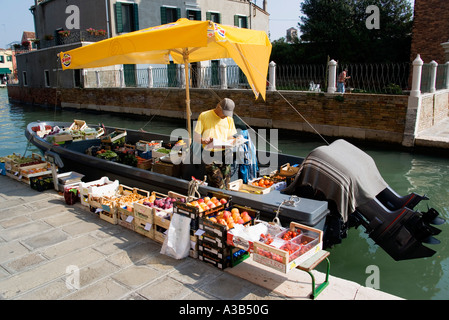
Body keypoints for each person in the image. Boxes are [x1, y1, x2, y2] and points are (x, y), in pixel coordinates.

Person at [193, 98, 238, 189]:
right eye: (225, 113)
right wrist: (203, 140)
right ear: (218, 107)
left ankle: (222, 202)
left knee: (227, 184)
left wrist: (235, 140)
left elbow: (230, 137)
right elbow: (196, 137)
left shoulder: (229, 119)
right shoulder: (204, 116)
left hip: (226, 154)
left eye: (228, 114)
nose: (226, 116)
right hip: (210, 155)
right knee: (219, 185)